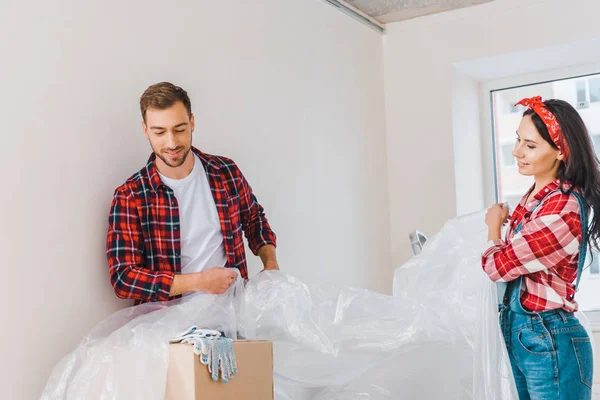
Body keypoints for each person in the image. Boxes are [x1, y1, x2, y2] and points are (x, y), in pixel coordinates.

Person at [106, 82, 278, 305]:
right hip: (169, 327)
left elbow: (254, 219)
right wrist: (199, 282)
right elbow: (123, 278)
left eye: (179, 129)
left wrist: (271, 264)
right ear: (145, 130)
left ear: (192, 123)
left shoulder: (225, 172)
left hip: (234, 316)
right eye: (160, 132)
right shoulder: (131, 196)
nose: (172, 142)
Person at [482, 97, 597, 399]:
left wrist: (493, 227)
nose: (517, 151)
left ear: (560, 151)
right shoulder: (535, 197)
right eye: (519, 140)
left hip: (548, 337)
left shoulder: (563, 207)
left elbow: (499, 267)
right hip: (527, 334)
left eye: (530, 146)